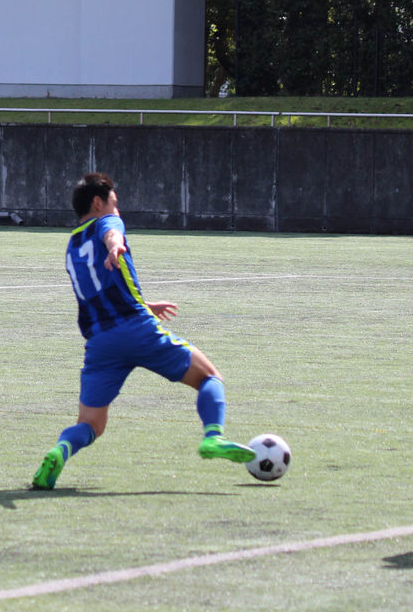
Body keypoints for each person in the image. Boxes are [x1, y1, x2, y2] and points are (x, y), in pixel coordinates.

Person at [32, 172, 253, 490]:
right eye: (114, 202)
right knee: (209, 377)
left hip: (100, 344)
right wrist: (115, 246)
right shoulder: (108, 222)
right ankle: (213, 437)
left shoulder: (71, 247)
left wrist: (144, 303)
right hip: (137, 330)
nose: (117, 210)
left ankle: (61, 450)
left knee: (91, 424)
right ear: (98, 203)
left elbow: (98, 292)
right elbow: (112, 233)